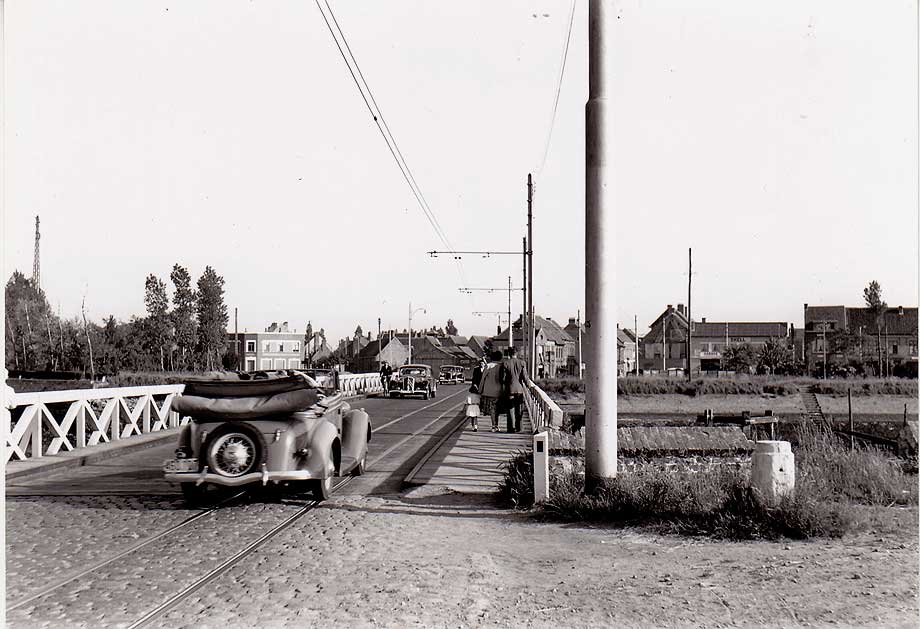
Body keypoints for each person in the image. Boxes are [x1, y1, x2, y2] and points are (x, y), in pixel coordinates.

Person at [500, 346, 528, 433]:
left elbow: (503, 379)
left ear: (509, 353)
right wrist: (529, 385)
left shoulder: (505, 363)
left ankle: (511, 428)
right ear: (517, 353)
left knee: (510, 409)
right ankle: (519, 427)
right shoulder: (522, 363)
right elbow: (525, 377)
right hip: (519, 389)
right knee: (519, 409)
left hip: (509, 390)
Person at [478, 350, 504, 432]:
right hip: (500, 391)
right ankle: (497, 425)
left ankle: (494, 425)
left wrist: (480, 389)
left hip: (489, 392)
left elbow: (483, 379)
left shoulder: (488, 366)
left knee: (492, 409)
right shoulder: (502, 366)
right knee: (498, 409)